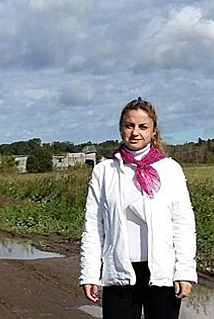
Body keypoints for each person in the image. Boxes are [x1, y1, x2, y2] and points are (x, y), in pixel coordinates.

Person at [80, 97, 197, 319]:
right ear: (121, 129)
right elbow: (94, 227)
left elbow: (183, 224)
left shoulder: (170, 170)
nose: (135, 132)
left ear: (153, 131)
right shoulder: (104, 171)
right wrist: (90, 274)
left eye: (143, 126)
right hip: (119, 273)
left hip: (162, 275)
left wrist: (184, 272)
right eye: (129, 125)